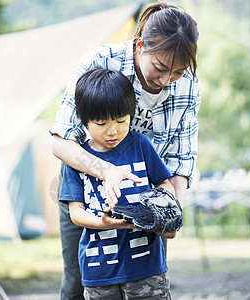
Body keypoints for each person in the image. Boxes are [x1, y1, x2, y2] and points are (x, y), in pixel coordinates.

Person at [50, 2, 200, 299]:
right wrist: (107, 172)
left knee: (147, 284)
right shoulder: (101, 61)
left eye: (178, 72)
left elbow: (180, 160)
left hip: (147, 204)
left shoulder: (188, 86)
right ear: (141, 45)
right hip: (88, 195)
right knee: (77, 283)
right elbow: (60, 140)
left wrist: (172, 211)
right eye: (159, 67)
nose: (166, 79)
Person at [59, 67, 177, 299]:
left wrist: (164, 213)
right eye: (101, 124)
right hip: (99, 269)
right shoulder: (77, 159)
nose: (113, 131)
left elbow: (165, 183)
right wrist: (102, 222)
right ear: (84, 122)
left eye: (121, 121)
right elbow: (76, 213)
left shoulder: (141, 145)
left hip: (146, 267)